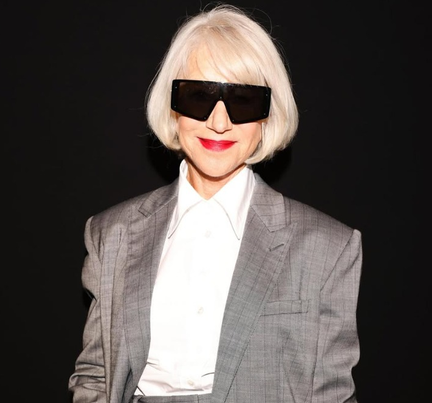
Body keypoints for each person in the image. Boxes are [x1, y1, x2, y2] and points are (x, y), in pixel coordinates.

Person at [68, 4, 362, 403]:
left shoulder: (328, 247)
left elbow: (331, 395)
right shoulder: (111, 235)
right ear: (173, 107)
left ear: (266, 116)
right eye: (198, 96)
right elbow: (95, 378)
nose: (219, 122)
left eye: (243, 101)